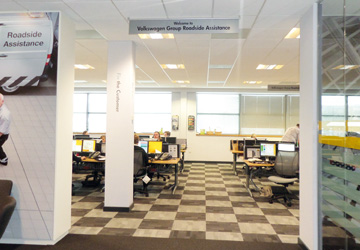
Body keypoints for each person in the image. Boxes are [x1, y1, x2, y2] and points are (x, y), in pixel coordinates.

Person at [0, 94, 11, 166]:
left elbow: (1, 132)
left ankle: (4, 159)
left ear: (2, 101)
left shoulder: (5, 115)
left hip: (2, 134)